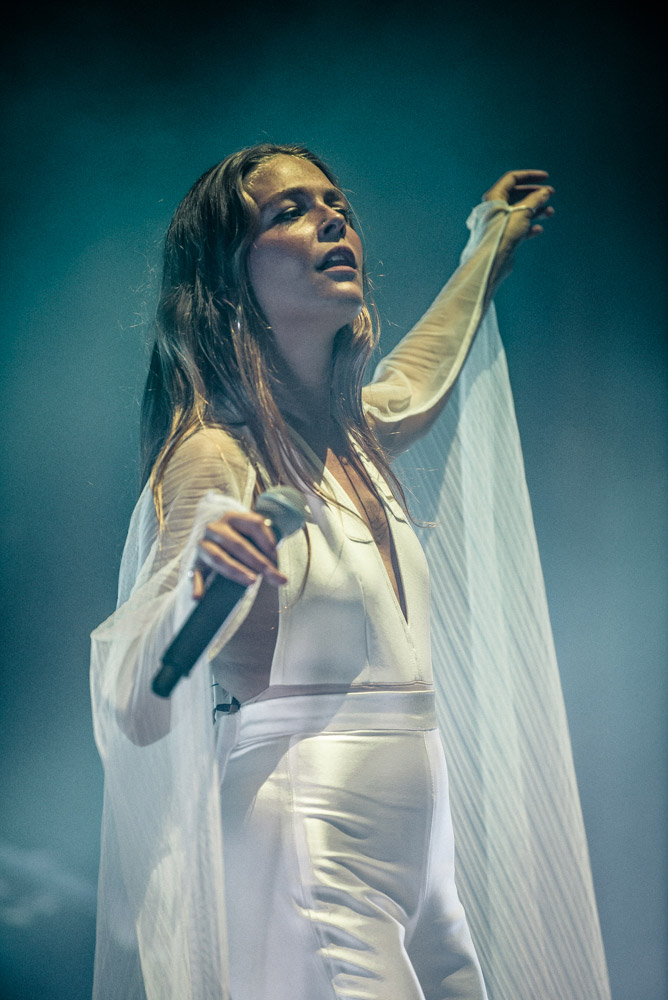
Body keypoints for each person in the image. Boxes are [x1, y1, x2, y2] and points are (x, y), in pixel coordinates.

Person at [90, 143, 611, 1000]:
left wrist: (490, 245)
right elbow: (136, 708)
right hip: (305, 840)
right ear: (229, 278)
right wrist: (194, 592)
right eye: (288, 211)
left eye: (336, 205)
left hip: (421, 861)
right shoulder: (217, 457)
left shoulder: (350, 441)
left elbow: (420, 376)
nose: (331, 218)